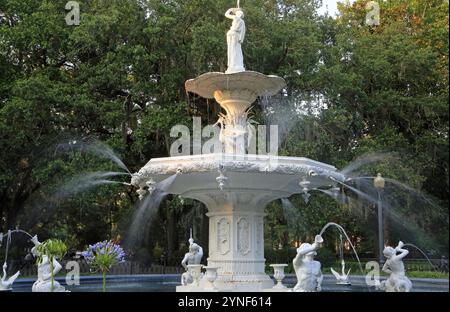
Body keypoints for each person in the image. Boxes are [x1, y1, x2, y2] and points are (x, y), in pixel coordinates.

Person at [225, 7, 246, 73]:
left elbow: (226, 14)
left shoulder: (236, 18)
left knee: (233, 50)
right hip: (233, 35)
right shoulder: (242, 21)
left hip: (233, 35)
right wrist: (240, 39)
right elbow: (243, 32)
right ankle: (233, 64)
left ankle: (234, 64)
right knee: (233, 50)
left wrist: (230, 9)